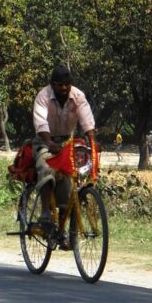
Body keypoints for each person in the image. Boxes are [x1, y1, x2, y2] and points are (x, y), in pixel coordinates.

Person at [31, 65, 97, 236]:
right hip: (45, 140)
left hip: (67, 142)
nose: (64, 88)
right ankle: (45, 212)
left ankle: (62, 231)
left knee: (70, 180)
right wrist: (49, 142)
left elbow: (86, 119)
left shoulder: (78, 96)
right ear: (52, 84)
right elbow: (40, 122)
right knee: (47, 169)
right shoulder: (43, 96)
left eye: (67, 84)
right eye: (60, 85)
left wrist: (93, 141)